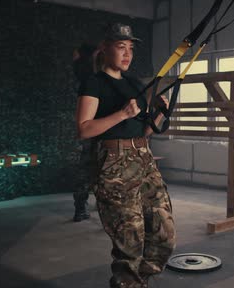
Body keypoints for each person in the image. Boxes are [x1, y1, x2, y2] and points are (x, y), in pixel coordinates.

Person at [75, 23, 176, 288]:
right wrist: (121, 114)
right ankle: (128, 283)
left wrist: (157, 113)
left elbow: (143, 130)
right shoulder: (94, 82)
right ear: (105, 48)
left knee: (164, 233)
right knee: (129, 241)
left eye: (130, 48)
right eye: (121, 47)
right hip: (114, 163)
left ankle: (135, 282)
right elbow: (84, 129)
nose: (127, 54)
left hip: (142, 157)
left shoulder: (134, 83)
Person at [71, 43, 101, 222]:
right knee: (96, 168)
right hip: (96, 127)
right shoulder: (92, 75)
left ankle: (81, 208)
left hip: (95, 127)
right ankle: (83, 207)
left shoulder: (84, 73)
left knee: (86, 169)